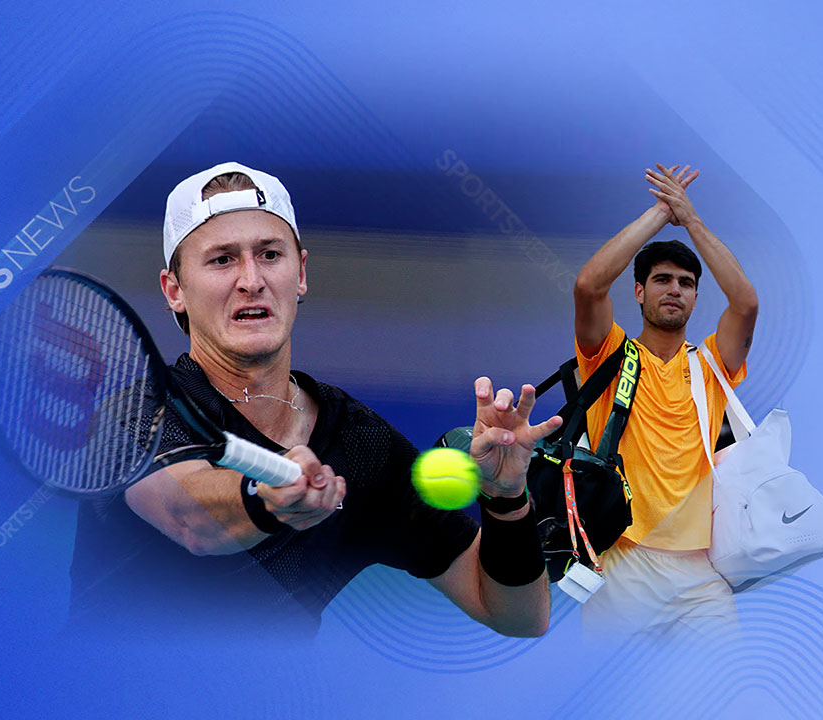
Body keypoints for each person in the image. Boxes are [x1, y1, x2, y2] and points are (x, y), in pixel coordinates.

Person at [68, 162, 559, 639]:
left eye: (269, 254)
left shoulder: (360, 443)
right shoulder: (137, 416)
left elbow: (517, 616)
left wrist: (506, 499)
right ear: (174, 290)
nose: (251, 280)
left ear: (300, 272)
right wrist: (267, 498)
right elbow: (190, 518)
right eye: (222, 259)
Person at [571, 163, 758, 640]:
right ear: (639, 291)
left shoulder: (712, 363)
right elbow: (589, 286)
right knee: (613, 685)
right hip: (622, 560)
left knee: (721, 684)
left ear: (695, 298)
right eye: (662, 279)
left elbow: (745, 304)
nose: (675, 289)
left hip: (700, 572)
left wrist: (689, 218)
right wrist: (661, 212)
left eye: (686, 283)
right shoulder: (610, 355)